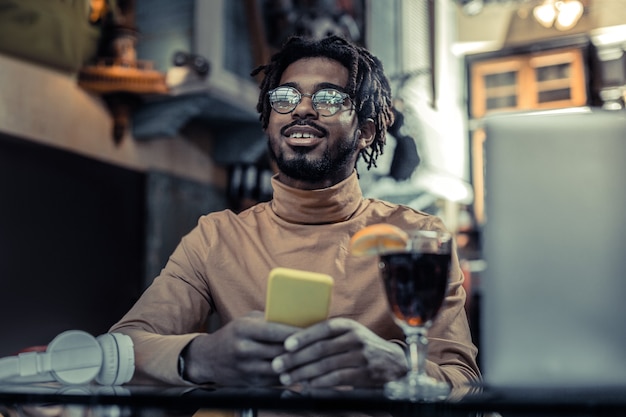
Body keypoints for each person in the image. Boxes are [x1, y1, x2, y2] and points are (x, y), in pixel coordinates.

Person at [110, 35, 480, 389]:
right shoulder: (215, 237)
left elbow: (465, 382)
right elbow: (122, 350)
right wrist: (200, 356)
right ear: (270, 119)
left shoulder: (418, 238)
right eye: (285, 97)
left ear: (366, 131)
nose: (302, 108)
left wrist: (396, 366)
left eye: (329, 98)